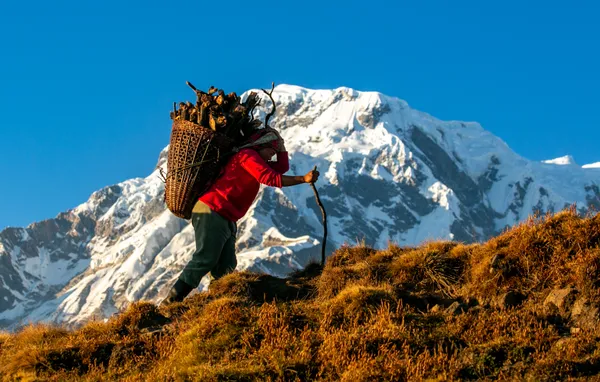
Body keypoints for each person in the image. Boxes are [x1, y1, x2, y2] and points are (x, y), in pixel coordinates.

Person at [162, 128, 319, 303]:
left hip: (226, 217)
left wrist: (280, 145)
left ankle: (219, 303)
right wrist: (302, 179)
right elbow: (270, 178)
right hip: (212, 210)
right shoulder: (247, 156)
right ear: (261, 145)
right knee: (205, 258)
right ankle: (171, 301)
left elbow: (281, 168)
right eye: (270, 152)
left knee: (226, 266)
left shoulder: (256, 158)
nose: (271, 157)